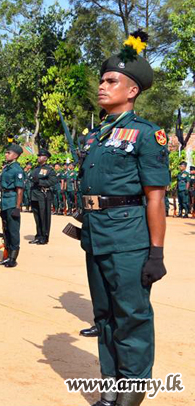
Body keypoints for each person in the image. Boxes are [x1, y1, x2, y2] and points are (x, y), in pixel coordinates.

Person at [79, 32, 169, 406]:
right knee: (104, 316)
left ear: (132, 91)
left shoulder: (147, 135)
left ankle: (132, 393)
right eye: (102, 80)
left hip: (129, 239)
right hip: (96, 235)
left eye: (111, 81)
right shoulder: (95, 136)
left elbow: (156, 196)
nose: (102, 86)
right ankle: (111, 385)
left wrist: (156, 253)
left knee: (131, 316)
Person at [0, 144, 24, 267]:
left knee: (13, 231)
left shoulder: (17, 170)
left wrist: (17, 207)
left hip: (12, 201)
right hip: (5, 202)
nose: (6, 154)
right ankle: (7, 256)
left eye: (9, 153)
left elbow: (20, 190)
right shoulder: (7, 168)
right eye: (6, 152)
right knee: (6, 230)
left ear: (16, 155)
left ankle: (13, 259)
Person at [29, 149, 58, 245]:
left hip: (43, 195)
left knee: (44, 216)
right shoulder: (36, 168)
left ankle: (44, 237)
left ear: (45, 158)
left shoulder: (49, 170)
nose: (38, 157)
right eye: (38, 156)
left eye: (40, 156)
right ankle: (38, 235)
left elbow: (53, 181)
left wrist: (40, 182)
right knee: (37, 217)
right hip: (34, 194)